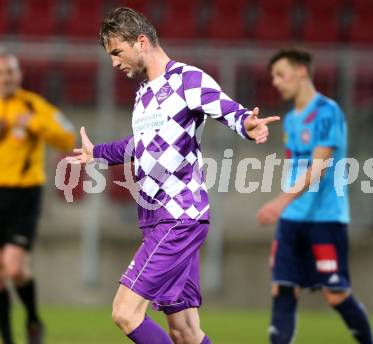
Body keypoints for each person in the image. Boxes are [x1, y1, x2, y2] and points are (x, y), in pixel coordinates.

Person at [67, 7, 279, 344]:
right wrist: (98, 154)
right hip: (156, 220)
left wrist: (247, 124)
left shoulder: (187, 79)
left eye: (117, 52)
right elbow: (141, 146)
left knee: (125, 312)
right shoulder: (144, 94)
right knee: (185, 332)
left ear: (141, 42)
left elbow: (226, 109)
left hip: (178, 218)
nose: (114, 63)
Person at [257, 48, 373, 344]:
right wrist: (285, 207)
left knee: (336, 294)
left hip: (325, 219)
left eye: (280, 74)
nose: (275, 82)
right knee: (282, 288)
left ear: (301, 72)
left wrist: (281, 200)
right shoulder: (290, 121)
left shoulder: (327, 112)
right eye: (273, 76)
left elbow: (320, 165)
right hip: (291, 220)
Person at [0, 49, 75, 344]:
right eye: (2, 73)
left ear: (19, 75)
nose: (7, 78)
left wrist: (33, 124)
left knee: (15, 268)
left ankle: (32, 319)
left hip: (24, 194)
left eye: (11, 72)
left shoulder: (32, 106)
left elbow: (67, 136)